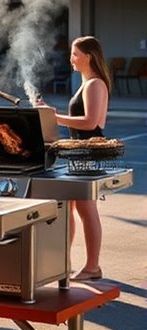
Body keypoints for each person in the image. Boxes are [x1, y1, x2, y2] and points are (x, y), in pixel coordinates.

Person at [37, 36, 111, 281]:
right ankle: (64, 262)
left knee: (86, 209)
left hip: (89, 151)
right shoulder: (86, 83)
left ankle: (92, 267)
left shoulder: (94, 84)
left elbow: (91, 122)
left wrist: (54, 117)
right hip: (80, 151)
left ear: (89, 56)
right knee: (70, 206)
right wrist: (49, 113)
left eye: (75, 54)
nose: (71, 59)